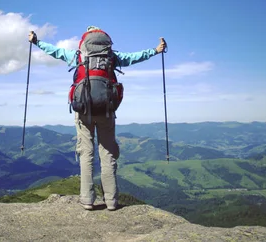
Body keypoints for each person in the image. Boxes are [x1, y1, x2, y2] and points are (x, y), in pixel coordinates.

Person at [28, 26, 166, 211]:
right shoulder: (111, 57)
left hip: (83, 110)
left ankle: (87, 200)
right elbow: (133, 57)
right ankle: (111, 201)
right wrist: (155, 51)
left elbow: (55, 51)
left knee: (86, 154)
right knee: (107, 155)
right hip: (107, 111)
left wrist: (37, 42)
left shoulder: (78, 56)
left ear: (85, 41)